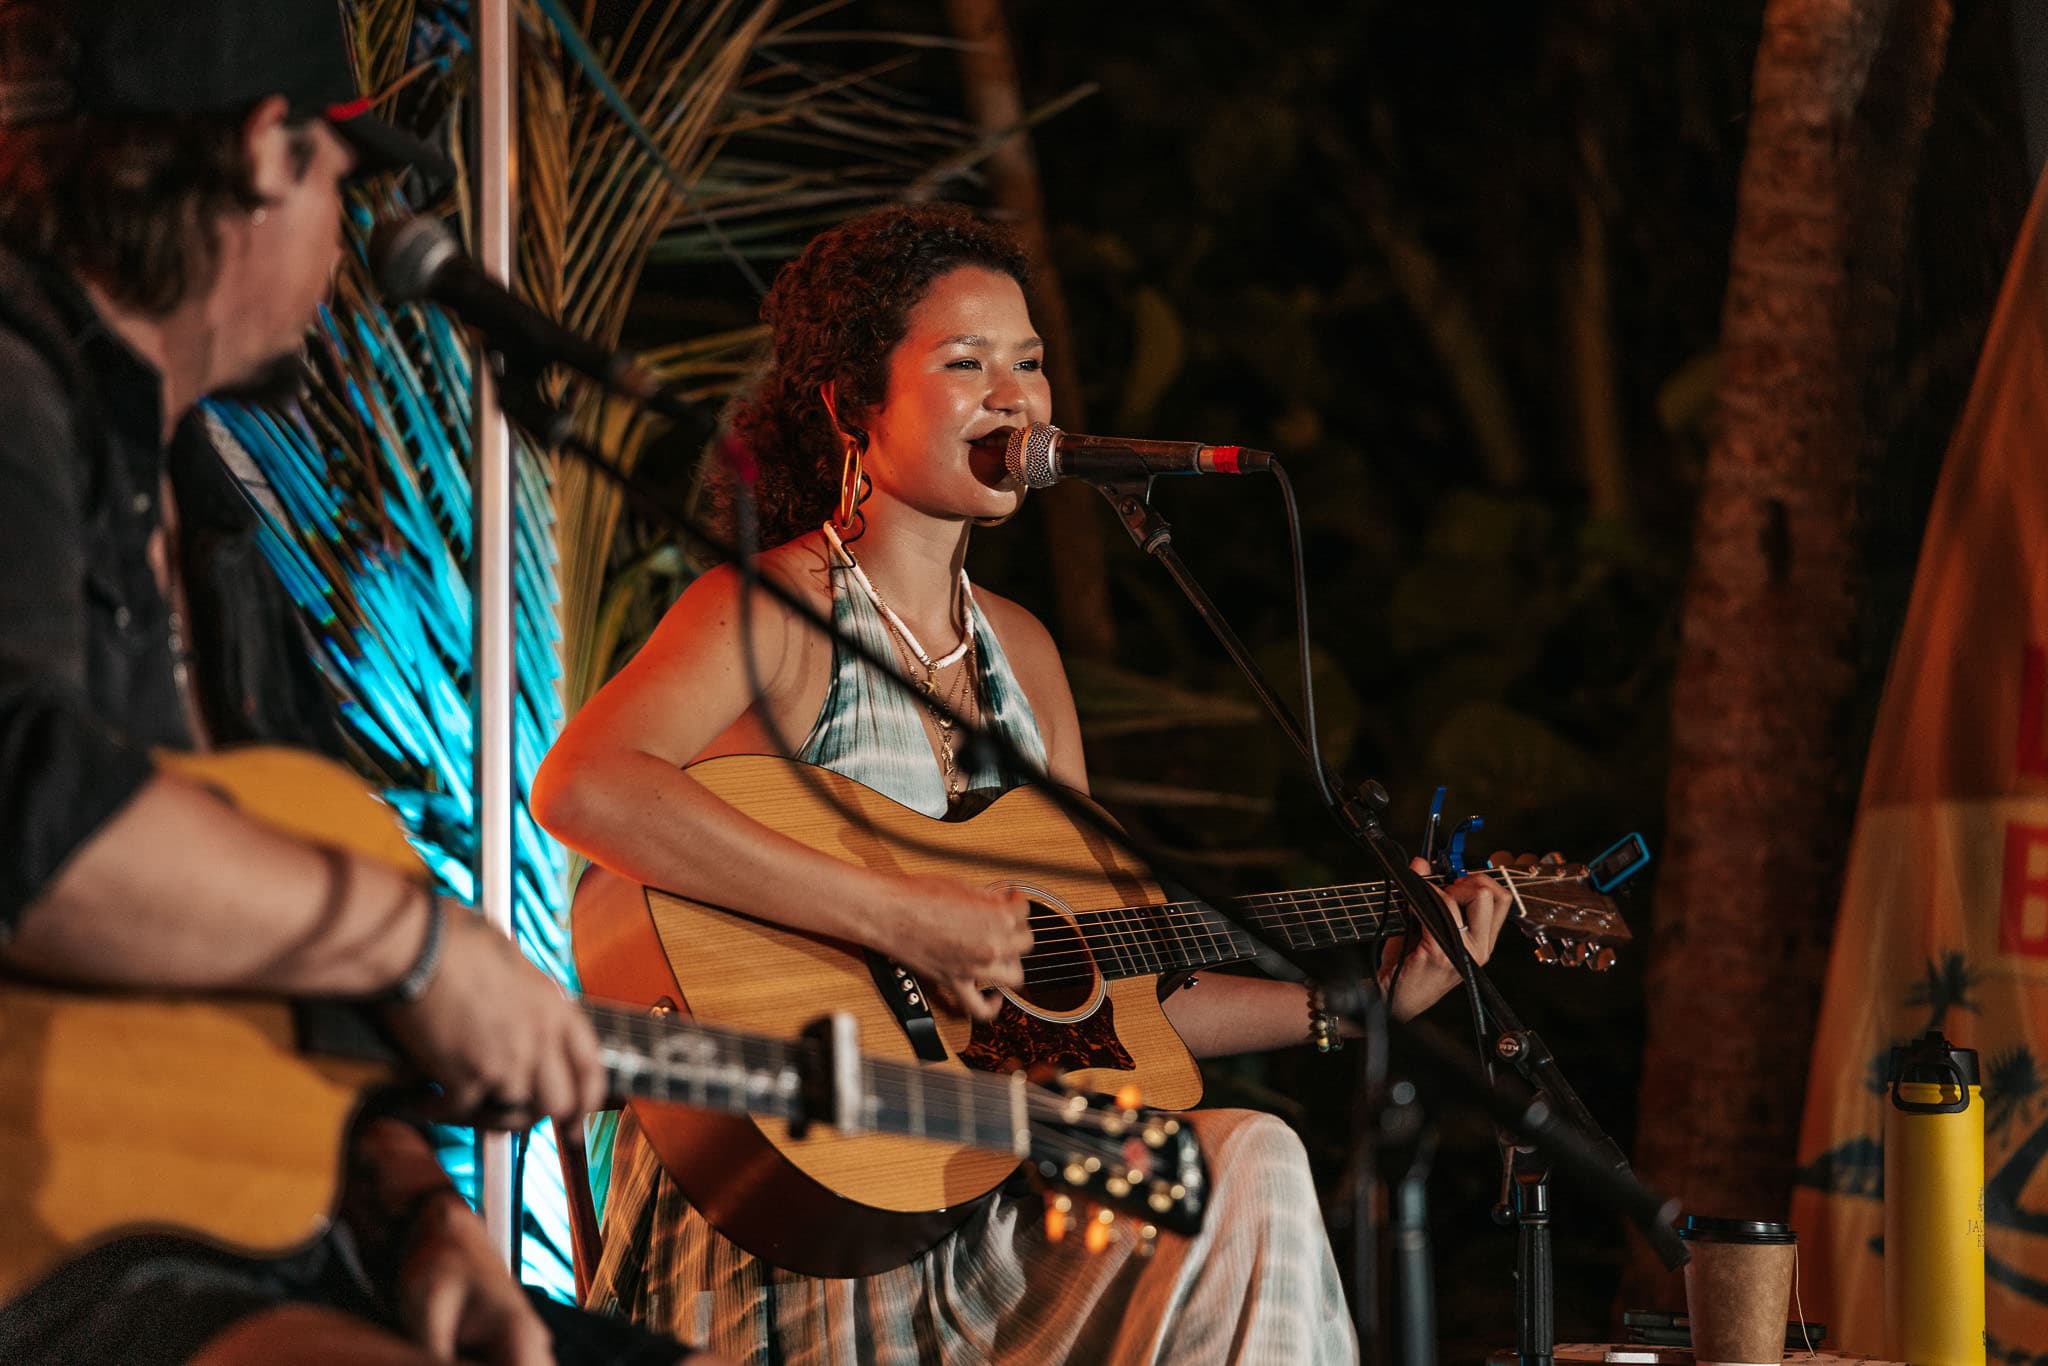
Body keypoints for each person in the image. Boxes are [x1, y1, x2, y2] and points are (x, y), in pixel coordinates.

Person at [532, 204, 1511, 1363]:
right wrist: (903, 918)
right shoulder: (776, 609)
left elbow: (1096, 984)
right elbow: (583, 785)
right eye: (966, 363)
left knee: (1248, 1158)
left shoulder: (1023, 656)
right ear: (853, 406)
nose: (1016, 396)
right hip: (802, 1216)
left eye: (1030, 362)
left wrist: (1351, 1010)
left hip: (991, 1201)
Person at [0, 2, 723, 1362]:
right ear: (271, 154)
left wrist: (420, 1224)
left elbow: (294, 1019)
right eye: (342, 179)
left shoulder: (210, 524)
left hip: (244, 1246)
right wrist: (424, 944)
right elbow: (39, 822)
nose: (345, 236)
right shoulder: (11, 380)